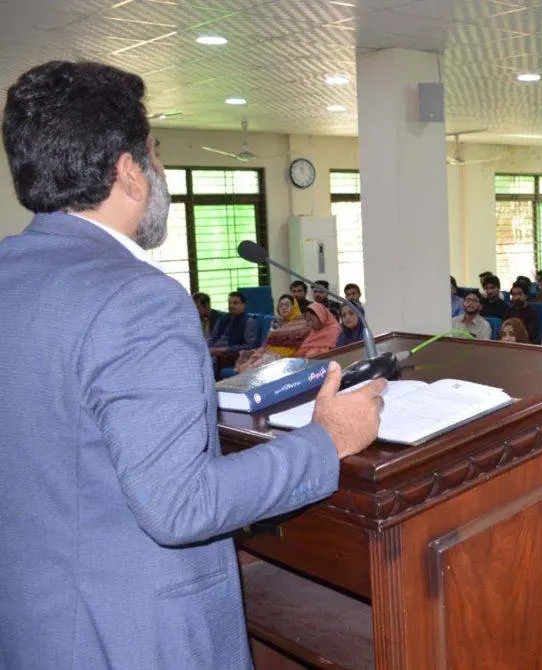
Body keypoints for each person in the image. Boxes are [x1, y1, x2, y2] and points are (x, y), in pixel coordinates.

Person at [0, 60, 388, 669]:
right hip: (130, 637)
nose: (160, 176)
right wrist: (328, 438)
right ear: (128, 172)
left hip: (32, 624)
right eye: (154, 155)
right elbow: (181, 505)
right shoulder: (137, 299)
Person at [234, 294, 310, 374]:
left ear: (294, 307)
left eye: (287, 305)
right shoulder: (275, 323)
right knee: (250, 363)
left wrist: (278, 336)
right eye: (281, 305)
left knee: (257, 367)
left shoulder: (301, 323)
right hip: (270, 351)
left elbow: (300, 342)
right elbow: (268, 341)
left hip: (289, 356)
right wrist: (261, 351)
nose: (283, 308)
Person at [207, 291, 259, 371]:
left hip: (228, 355)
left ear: (243, 305)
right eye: (230, 303)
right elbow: (212, 337)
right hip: (213, 351)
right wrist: (207, 348)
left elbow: (250, 346)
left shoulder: (249, 321)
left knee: (205, 364)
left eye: (235, 303)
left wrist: (225, 349)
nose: (231, 306)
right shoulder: (223, 318)